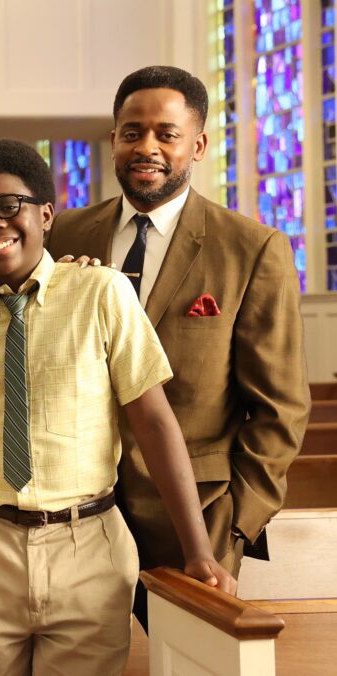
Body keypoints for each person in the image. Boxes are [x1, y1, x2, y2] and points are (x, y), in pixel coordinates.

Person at [0, 139, 236, 675]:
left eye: (9, 205)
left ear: (46, 214)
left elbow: (154, 421)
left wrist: (198, 551)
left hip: (88, 544)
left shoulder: (103, 293)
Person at [46, 65, 311, 626]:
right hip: (74, 510)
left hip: (199, 518)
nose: (147, 147)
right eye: (131, 131)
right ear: (114, 139)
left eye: (166, 133)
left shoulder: (252, 249)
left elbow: (280, 408)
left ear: (197, 145)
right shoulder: (63, 235)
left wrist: (237, 525)